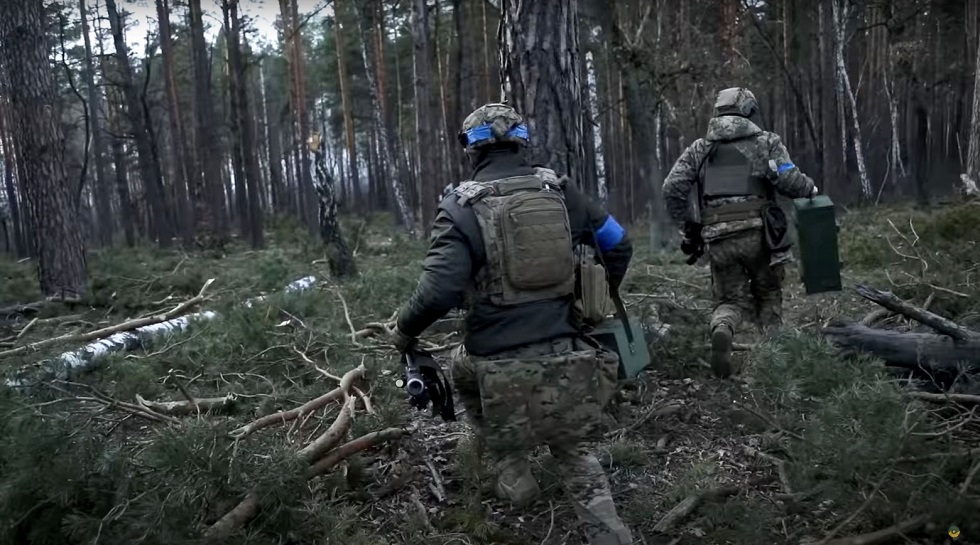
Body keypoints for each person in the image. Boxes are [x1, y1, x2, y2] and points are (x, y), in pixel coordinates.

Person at [389, 103, 634, 545]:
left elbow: (440, 291)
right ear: (521, 139)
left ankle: (511, 466)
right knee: (577, 455)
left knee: (462, 369)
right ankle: (609, 535)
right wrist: (587, 301)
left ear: (470, 148)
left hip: (493, 362)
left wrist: (404, 331)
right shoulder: (562, 192)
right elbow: (618, 244)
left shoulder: (459, 207)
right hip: (569, 353)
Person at [662, 87, 818, 378]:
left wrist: (689, 228)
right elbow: (788, 179)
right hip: (761, 237)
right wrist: (810, 188)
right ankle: (775, 365)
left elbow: (672, 188)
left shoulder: (700, 148)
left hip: (719, 238)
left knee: (729, 301)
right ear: (749, 111)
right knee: (769, 294)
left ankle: (723, 330)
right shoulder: (767, 142)